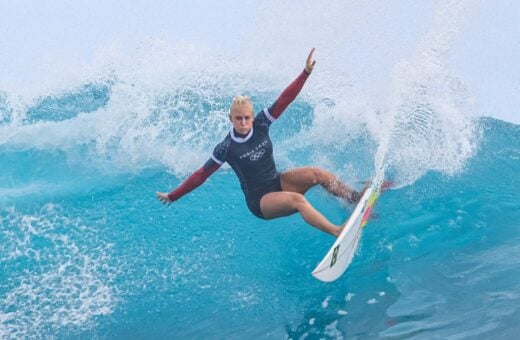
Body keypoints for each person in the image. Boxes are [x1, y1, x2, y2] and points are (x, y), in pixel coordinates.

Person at [157, 48, 364, 237]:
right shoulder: (226, 147)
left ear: (252, 116)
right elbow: (200, 175)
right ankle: (337, 231)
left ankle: (354, 198)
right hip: (261, 201)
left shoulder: (262, 123)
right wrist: (173, 196)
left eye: (247, 117)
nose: (244, 122)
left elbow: (285, 98)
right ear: (231, 119)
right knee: (298, 201)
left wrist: (305, 72)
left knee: (318, 174)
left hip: (277, 181)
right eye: (239, 118)